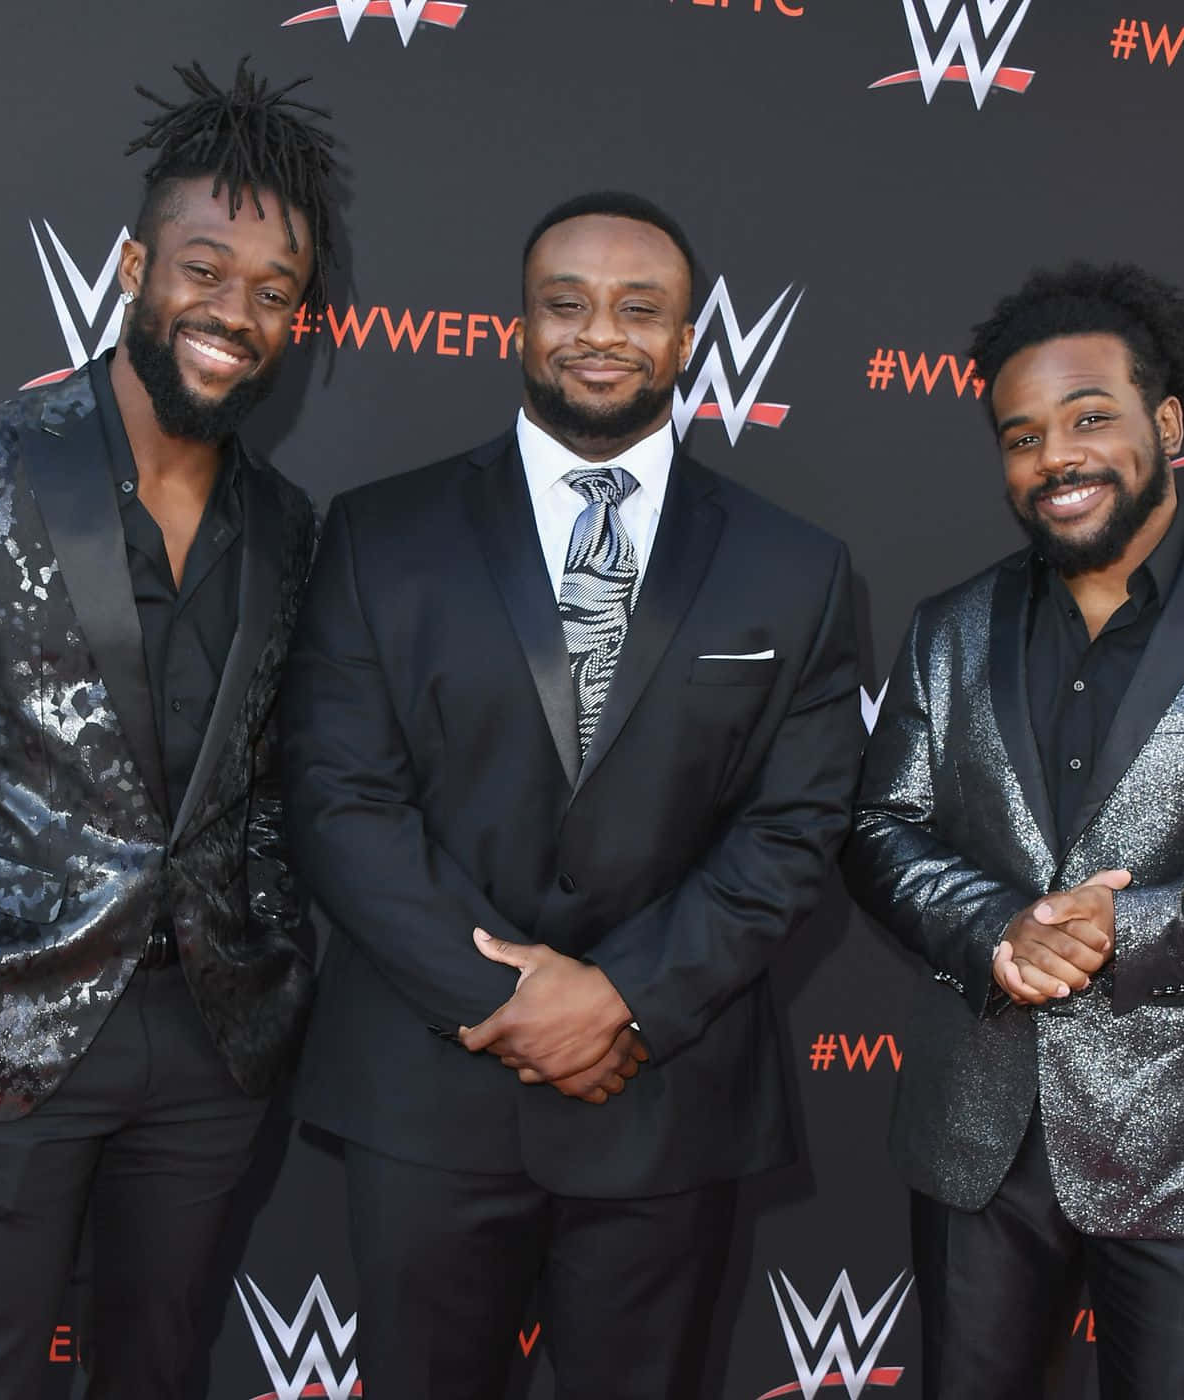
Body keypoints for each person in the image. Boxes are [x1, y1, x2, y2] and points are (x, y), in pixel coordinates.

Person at [281, 190, 860, 1397]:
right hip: (428, 1096)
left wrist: (623, 1000)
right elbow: (341, 801)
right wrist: (513, 1000)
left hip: (662, 1093)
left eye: (638, 307)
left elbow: (793, 828)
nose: (600, 331)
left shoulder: (793, 566)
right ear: (517, 328)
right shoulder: (377, 533)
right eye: (566, 303)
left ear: (686, 337)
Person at [0, 59, 336, 1400]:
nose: (232, 313)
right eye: (202, 268)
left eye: (273, 290)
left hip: (213, 1041)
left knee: (159, 1367)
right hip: (2, 1022)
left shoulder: (291, 529)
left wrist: (277, 969)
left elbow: (280, 780)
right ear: (134, 266)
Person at [845, 263, 1184, 1398]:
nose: (1052, 458)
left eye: (1085, 418)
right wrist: (996, 928)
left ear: (1163, 421)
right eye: (1019, 436)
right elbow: (880, 826)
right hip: (976, 1137)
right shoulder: (949, 626)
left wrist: (1131, 924)